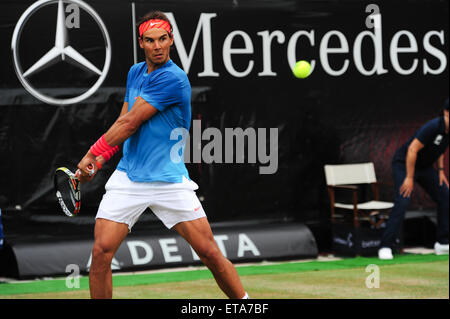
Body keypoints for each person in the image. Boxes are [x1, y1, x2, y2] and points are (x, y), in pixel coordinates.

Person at [76, 11, 248, 299]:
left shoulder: (174, 78)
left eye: (163, 39)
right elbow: (124, 119)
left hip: (169, 180)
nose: (157, 46)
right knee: (101, 252)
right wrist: (104, 158)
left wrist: (93, 153)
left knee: (209, 253)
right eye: (150, 40)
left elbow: (131, 123)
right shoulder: (135, 72)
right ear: (141, 42)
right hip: (129, 178)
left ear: (171, 40)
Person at [378, 98, 449, 260]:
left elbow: (440, 149)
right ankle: (385, 246)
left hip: (425, 168)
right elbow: (412, 150)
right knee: (403, 201)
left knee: (445, 197)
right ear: (446, 113)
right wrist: (409, 177)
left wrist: (440, 170)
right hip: (404, 164)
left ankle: (442, 243)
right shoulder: (432, 127)